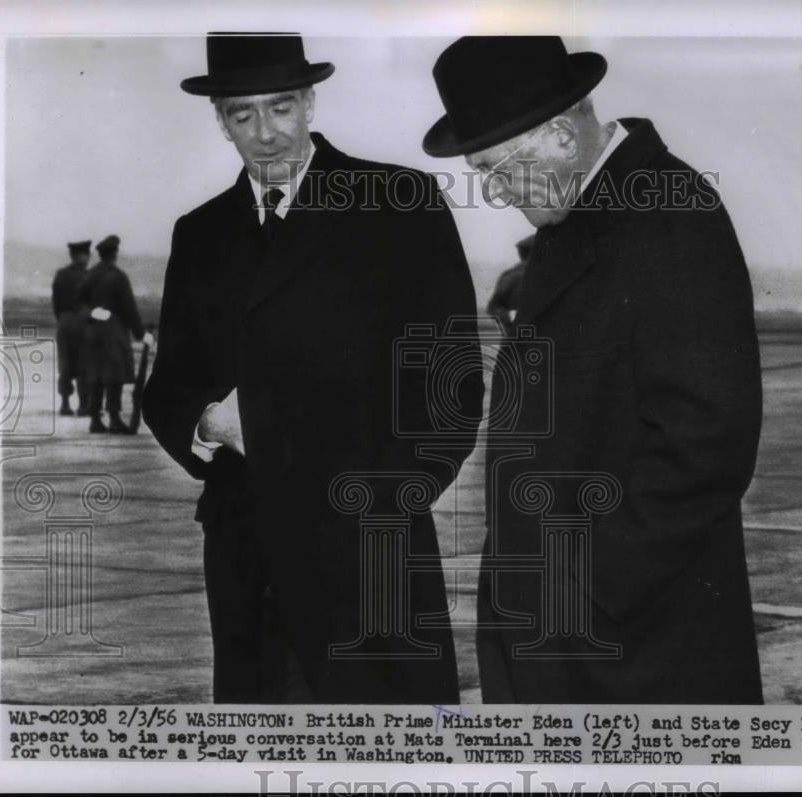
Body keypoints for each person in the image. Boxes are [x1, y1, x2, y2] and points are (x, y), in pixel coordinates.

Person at [142, 33, 482, 703]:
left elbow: (451, 383)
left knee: (384, 746)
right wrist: (204, 424)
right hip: (246, 551)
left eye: (282, 108)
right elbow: (171, 384)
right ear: (221, 121)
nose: (266, 134)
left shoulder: (396, 202)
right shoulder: (201, 233)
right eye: (243, 115)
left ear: (310, 102)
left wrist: (389, 502)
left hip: (367, 548)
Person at [424, 36, 763, 703]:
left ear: (558, 134)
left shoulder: (669, 213)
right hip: (571, 637)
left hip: (634, 646)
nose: (494, 193)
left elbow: (708, 438)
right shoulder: (580, 219)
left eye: (498, 170)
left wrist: (588, 588)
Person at [78, 235, 150, 434]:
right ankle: (114, 418)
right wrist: (141, 334)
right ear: (115, 253)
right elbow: (130, 308)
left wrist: (92, 313)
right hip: (114, 333)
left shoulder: (89, 275)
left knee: (96, 375)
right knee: (113, 376)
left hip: (92, 332)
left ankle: (95, 420)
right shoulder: (118, 277)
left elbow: (77, 302)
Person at [51, 239, 92, 416]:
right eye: (87, 255)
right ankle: (84, 404)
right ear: (81, 256)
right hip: (83, 322)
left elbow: (56, 303)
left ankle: (65, 403)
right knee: (84, 363)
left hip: (65, 322)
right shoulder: (89, 276)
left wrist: (63, 319)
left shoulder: (61, 274)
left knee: (65, 364)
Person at [486, 234, 534, 335]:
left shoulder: (510, 275)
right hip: (517, 338)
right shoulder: (514, 276)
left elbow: (493, 307)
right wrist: (510, 315)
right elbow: (493, 307)